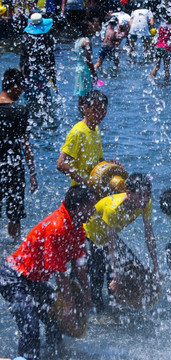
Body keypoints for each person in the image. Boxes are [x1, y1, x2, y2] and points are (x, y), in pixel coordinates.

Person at [0, 185, 96, 360]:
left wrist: (88, 294)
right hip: (13, 277)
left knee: (55, 320)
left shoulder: (76, 227)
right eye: (91, 206)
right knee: (31, 327)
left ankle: (52, 354)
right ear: (79, 207)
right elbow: (59, 273)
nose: (94, 210)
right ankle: (27, 357)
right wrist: (69, 305)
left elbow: (78, 265)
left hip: (33, 279)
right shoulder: (57, 227)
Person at [83, 173, 159, 310]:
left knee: (133, 269)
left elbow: (149, 236)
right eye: (140, 195)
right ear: (128, 193)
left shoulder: (146, 204)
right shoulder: (113, 209)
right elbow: (111, 246)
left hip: (108, 238)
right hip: (90, 237)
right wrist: (116, 277)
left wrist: (155, 265)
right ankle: (99, 314)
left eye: (148, 194)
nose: (145, 199)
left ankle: (116, 305)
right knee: (97, 277)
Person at [0, 69, 37, 242]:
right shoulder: (20, 111)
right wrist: (32, 173)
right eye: (21, 87)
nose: (22, 91)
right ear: (14, 86)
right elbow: (26, 145)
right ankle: (14, 249)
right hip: (13, 167)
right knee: (14, 215)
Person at [57, 90, 112, 186]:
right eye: (95, 110)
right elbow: (60, 164)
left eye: (103, 110)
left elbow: (99, 160)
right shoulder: (78, 132)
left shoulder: (96, 129)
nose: (99, 114)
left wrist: (110, 164)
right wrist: (84, 183)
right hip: (81, 191)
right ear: (85, 108)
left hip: (92, 187)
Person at [19, 13, 57, 112]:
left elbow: (22, 58)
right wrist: (54, 78)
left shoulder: (26, 38)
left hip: (29, 73)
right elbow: (51, 59)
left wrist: (20, 72)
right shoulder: (48, 38)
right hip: (43, 73)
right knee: (45, 100)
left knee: (29, 99)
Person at [73, 21, 98, 108]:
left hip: (79, 69)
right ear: (86, 30)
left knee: (81, 95)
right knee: (87, 95)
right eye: (91, 27)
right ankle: (86, 116)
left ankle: (80, 114)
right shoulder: (87, 42)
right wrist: (94, 73)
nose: (93, 29)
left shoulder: (77, 41)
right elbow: (88, 60)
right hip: (85, 70)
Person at [150, 12, 171, 83]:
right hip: (167, 48)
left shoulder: (161, 26)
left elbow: (158, 36)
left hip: (158, 47)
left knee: (157, 66)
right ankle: (167, 82)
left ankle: (151, 80)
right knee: (166, 67)